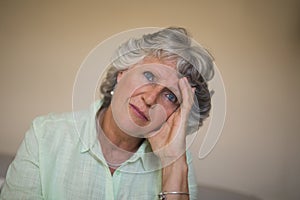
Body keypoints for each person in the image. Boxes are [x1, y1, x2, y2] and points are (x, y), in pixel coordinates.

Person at [0, 27, 214, 200]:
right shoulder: (45, 134)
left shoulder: (178, 161)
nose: (150, 99)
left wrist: (172, 161)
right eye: (149, 75)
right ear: (123, 72)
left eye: (170, 96)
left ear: (177, 113)